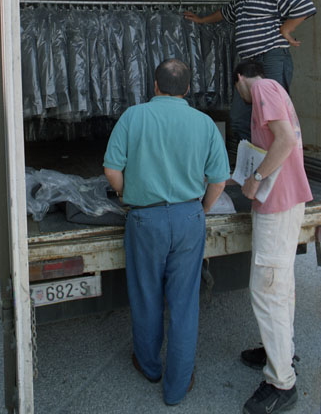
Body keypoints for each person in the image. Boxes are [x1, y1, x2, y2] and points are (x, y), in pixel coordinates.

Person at [103, 58, 229, 406]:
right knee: (184, 303)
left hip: (145, 219)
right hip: (189, 217)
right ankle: (177, 387)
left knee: (146, 296)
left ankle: (149, 366)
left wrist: (124, 193)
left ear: (155, 85)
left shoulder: (133, 117)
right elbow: (219, 179)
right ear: (187, 89)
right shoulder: (204, 124)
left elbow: (111, 169)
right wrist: (201, 209)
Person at [231, 60, 312, 414]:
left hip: (277, 205)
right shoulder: (275, 89)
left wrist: (256, 178)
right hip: (283, 203)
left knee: (266, 289)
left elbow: (285, 140)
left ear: (239, 79)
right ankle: (278, 350)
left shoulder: (262, 89)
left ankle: (281, 383)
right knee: (279, 286)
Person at [184, 0, 316, 140]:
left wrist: (286, 30)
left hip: (271, 58)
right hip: (248, 65)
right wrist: (201, 20)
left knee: (275, 116)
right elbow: (226, 13)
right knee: (239, 118)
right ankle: (253, 156)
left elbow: (305, 5)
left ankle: (278, 156)